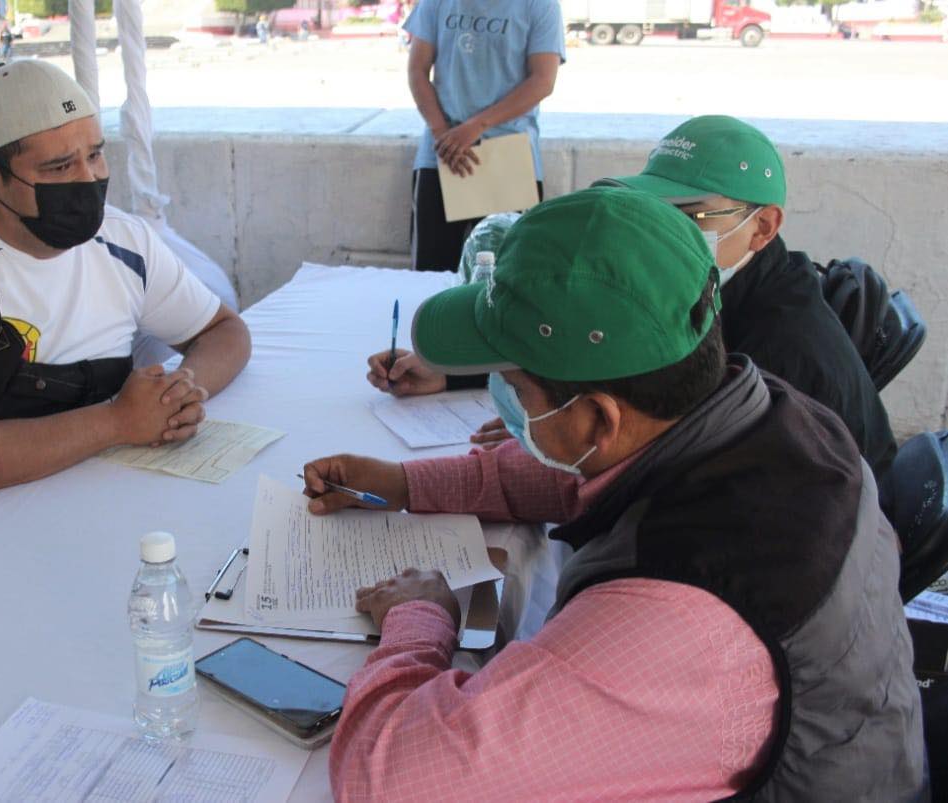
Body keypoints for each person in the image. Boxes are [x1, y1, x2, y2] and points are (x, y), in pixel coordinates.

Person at [305, 188, 925, 800]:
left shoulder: (671, 617)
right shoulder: (776, 418)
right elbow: (570, 476)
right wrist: (403, 482)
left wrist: (419, 617)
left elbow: (386, 779)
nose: (512, 405)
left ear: (600, 420)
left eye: (518, 389)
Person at [0, 61, 252, 560]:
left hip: (62, 497)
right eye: (59, 168)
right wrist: (118, 421)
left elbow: (224, 332)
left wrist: (183, 391)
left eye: (95, 155)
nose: (89, 180)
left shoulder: (123, 241)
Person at [370, 116, 899, 494]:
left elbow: (674, 467)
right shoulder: (717, 287)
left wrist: (555, 430)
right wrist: (466, 371)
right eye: (653, 210)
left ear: (763, 226)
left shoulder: (779, 352)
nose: (664, 233)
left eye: (689, 216)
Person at [404, 0, 565, 272]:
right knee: (431, 276)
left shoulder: (540, 5)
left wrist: (475, 127)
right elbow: (417, 70)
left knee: (507, 277)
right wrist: (443, 133)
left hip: (507, 154)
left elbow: (542, 80)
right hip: (443, 154)